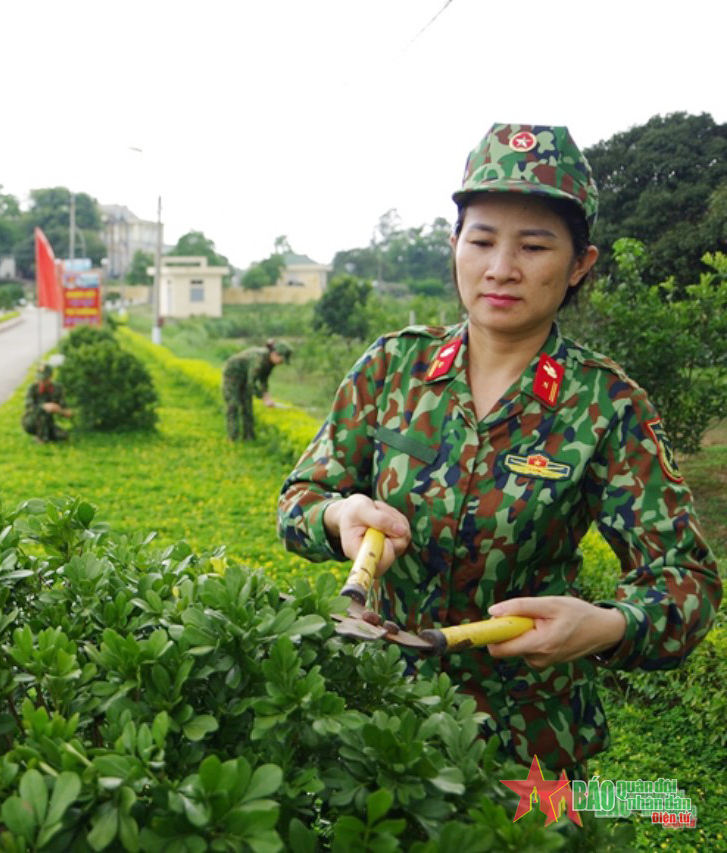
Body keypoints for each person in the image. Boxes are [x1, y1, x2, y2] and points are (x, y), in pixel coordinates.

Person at [277, 123, 720, 780]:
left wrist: (605, 625)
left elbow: (686, 582)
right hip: (382, 723)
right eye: (481, 240)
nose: (501, 268)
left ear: (580, 264)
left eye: (534, 246)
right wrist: (338, 515)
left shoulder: (607, 405)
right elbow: (300, 499)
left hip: (525, 743)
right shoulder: (392, 368)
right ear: (454, 244)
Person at [221, 339, 292, 440]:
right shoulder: (259, 359)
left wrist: (267, 395)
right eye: (281, 360)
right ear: (275, 354)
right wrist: (262, 397)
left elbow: (264, 380)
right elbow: (251, 382)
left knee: (247, 406)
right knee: (233, 404)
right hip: (233, 375)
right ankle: (232, 437)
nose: (281, 363)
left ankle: (249, 437)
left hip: (246, 376)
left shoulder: (271, 363)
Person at [22, 362, 73, 442]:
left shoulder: (57, 388)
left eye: (44, 379)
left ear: (50, 377)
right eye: (39, 379)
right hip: (32, 420)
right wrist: (44, 406)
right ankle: (41, 438)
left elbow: (65, 409)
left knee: (62, 436)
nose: (41, 381)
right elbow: (29, 406)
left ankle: (46, 434)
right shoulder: (33, 388)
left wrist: (59, 410)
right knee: (43, 414)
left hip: (48, 422)